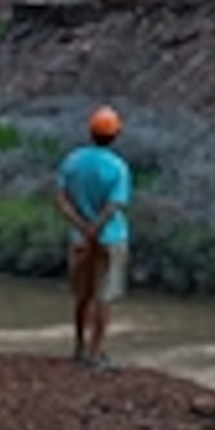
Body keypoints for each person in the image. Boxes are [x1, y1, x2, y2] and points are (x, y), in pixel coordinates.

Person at [54, 106, 133, 367]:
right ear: (115, 135)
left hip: (78, 239)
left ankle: (78, 347)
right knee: (104, 296)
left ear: (91, 132)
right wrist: (96, 229)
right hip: (111, 238)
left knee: (82, 296)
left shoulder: (72, 160)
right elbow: (114, 206)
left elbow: (61, 199)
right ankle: (95, 352)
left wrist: (82, 227)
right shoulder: (118, 167)